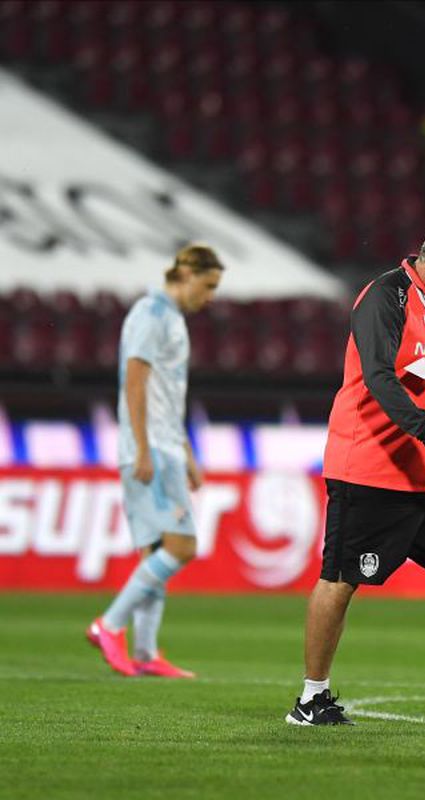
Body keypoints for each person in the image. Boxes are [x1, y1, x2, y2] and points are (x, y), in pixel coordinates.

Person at [285, 221, 425, 731]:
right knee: (341, 580)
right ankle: (311, 698)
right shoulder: (385, 297)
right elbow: (378, 377)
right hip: (369, 469)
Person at [86, 244, 225, 678]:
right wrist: (143, 447)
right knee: (182, 546)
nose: (211, 296)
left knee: (155, 550)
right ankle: (108, 625)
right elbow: (135, 380)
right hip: (150, 449)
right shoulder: (151, 314)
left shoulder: (171, 319)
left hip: (165, 445)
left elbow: (167, 395)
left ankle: (145, 653)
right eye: (208, 285)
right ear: (185, 274)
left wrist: (186, 451)